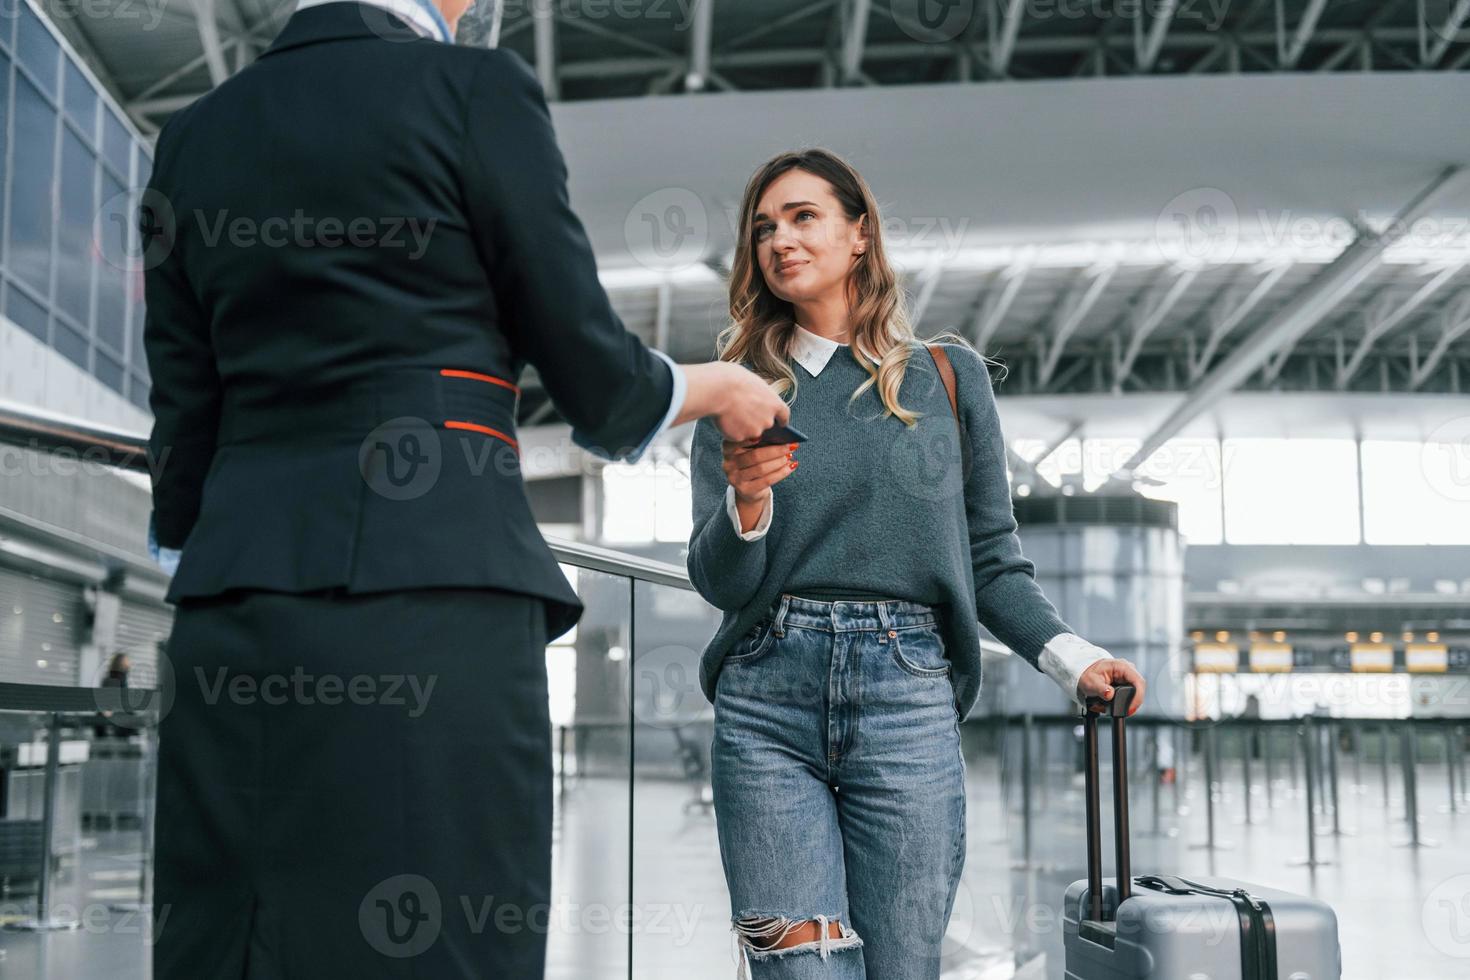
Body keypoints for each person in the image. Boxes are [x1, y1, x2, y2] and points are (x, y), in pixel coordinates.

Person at [139, 1, 786, 975]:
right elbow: (594, 378)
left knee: (237, 940)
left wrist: (208, 545)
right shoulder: (472, 91)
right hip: (432, 590)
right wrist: (722, 386)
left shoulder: (192, 134)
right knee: (440, 940)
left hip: (230, 610)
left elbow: (184, 413)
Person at [685, 149, 1148, 980]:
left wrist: (1074, 659)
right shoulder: (738, 390)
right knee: (798, 969)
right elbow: (719, 582)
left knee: (904, 966)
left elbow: (992, 562)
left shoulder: (948, 376)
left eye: (802, 217)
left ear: (859, 233)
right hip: (764, 705)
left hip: (908, 697)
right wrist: (747, 505)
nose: (779, 241)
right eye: (762, 229)